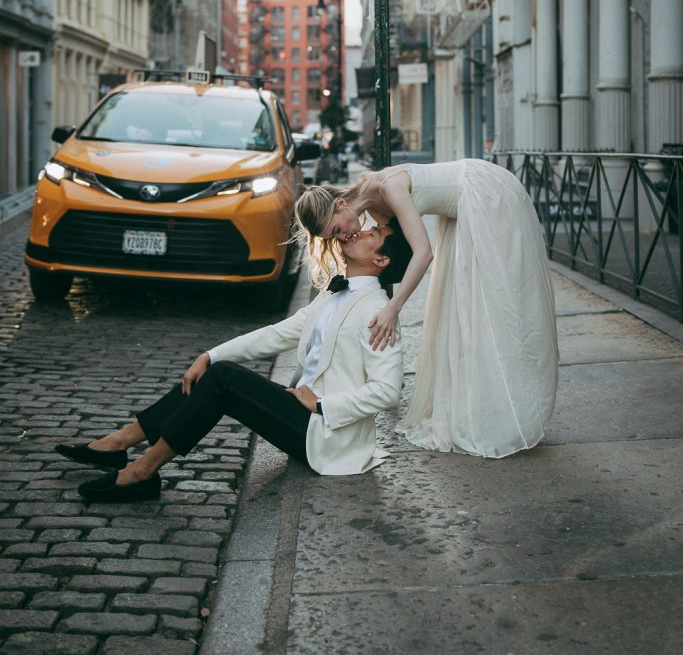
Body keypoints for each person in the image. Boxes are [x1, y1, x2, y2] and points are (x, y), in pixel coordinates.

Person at [54, 220, 413, 503]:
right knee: (216, 369)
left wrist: (322, 404)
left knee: (223, 380)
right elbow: (277, 334)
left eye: (374, 233)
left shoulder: (377, 312)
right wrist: (209, 354)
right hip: (301, 413)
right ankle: (120, 443)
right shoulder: (332, 295)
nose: (361, 231)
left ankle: (141, 472)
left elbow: (387, 391)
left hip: (325, 434)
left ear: (381, 259)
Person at [294, 160, 559, 459]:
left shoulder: (388, 187)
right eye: (335, 237)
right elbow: (391, 257)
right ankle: (491, 406)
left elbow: (424, 252)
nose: (343, 238)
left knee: (500, 305)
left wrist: (393, 308)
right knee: (469, 317)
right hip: (460, 213)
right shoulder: (372, 209)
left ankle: (516, 407)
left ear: (341, 204)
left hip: (485, 193)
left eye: (337, 230)